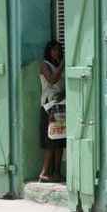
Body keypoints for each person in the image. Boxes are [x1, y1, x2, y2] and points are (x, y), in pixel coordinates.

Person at [39, 40, 66, 182]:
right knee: (50, 138)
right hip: (48, 106)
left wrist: (64, 94)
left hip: (61, 104)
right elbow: (52, 80)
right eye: (54, 50)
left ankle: (56, 171)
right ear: (49, 52)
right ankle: (44, 172)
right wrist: (63, 65)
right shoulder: (45, 65)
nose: (57, 52)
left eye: (59, 50)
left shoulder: (58, 66)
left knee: (60, 138)